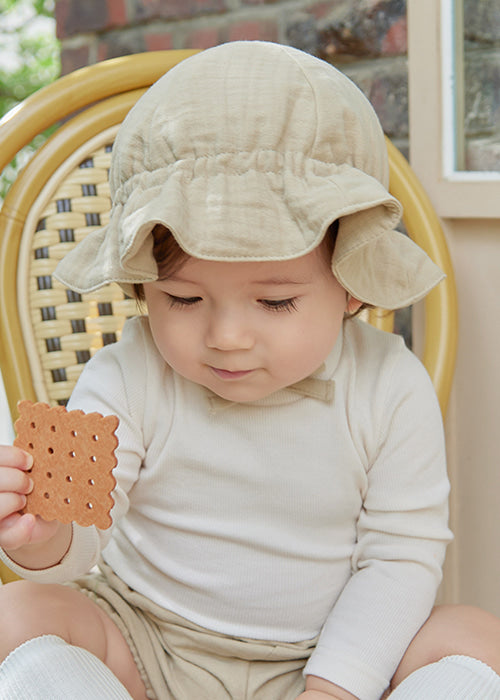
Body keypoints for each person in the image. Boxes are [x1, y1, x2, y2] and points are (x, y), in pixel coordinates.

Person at [0, 41, 499, 700]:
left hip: (330, 654)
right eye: (183, 299)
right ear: (143, 285)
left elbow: (399, 558)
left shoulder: (390, 386)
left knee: (475, 637)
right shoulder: (125, 375)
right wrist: (43, 538)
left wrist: (334, 688)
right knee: (19, 615)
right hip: (146, 644)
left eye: (275, 301)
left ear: (352, 284)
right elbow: (83, 541)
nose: (227, 338)